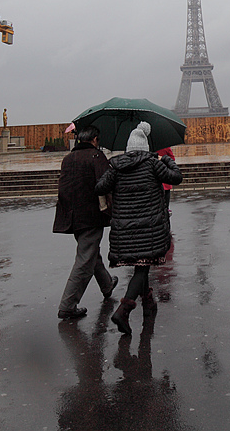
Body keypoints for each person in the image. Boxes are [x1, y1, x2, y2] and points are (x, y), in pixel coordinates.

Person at [95, 122, 182, 335]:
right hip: (148, 228)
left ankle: (149, 302)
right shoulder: (153, 164)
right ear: (145, 147)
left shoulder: (116, 167)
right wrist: (167, 160)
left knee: (140, 265)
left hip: (124, 229)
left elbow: (99, 187)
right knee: (143, 266)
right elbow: (176, 178)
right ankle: (124, 309)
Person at [53, 125, 119, 320]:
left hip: (72, 216)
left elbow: (63, 189)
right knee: (85, 258)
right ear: (95, 139)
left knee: (90, 252)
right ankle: (68, 305)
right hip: (91, 215)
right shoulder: (96, 157)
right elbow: (106, 185)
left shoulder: (68, 159)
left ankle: (106, 284)